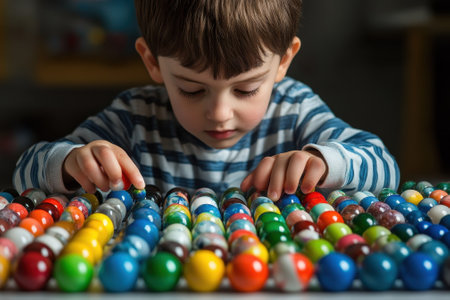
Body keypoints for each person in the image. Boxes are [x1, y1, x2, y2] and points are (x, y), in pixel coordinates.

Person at [13, 0, 399, 200]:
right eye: (192, 89)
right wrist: (68, 163)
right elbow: (25, 170)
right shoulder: (135, 116)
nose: (219, 113)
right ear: (152, 61)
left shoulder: (295, 109)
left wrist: (324, 162)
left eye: (246, 89)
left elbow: (384, 166)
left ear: (283, 61)